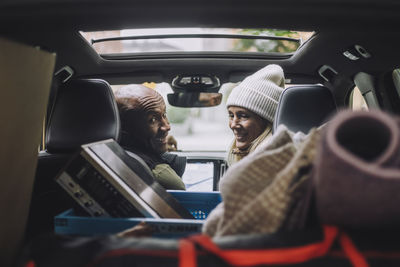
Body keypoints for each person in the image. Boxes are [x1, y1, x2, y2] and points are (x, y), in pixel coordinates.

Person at [115, 84, 186, 190]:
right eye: (152, 120)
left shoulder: (112, 152)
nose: (167, 126)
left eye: (164, 115)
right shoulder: (163, 177)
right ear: (125, 129)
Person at [226, 64, 285, 166]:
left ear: (266, 120)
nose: (233, 124)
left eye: (243, 116)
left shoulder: (269, 163)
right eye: (231, 115)